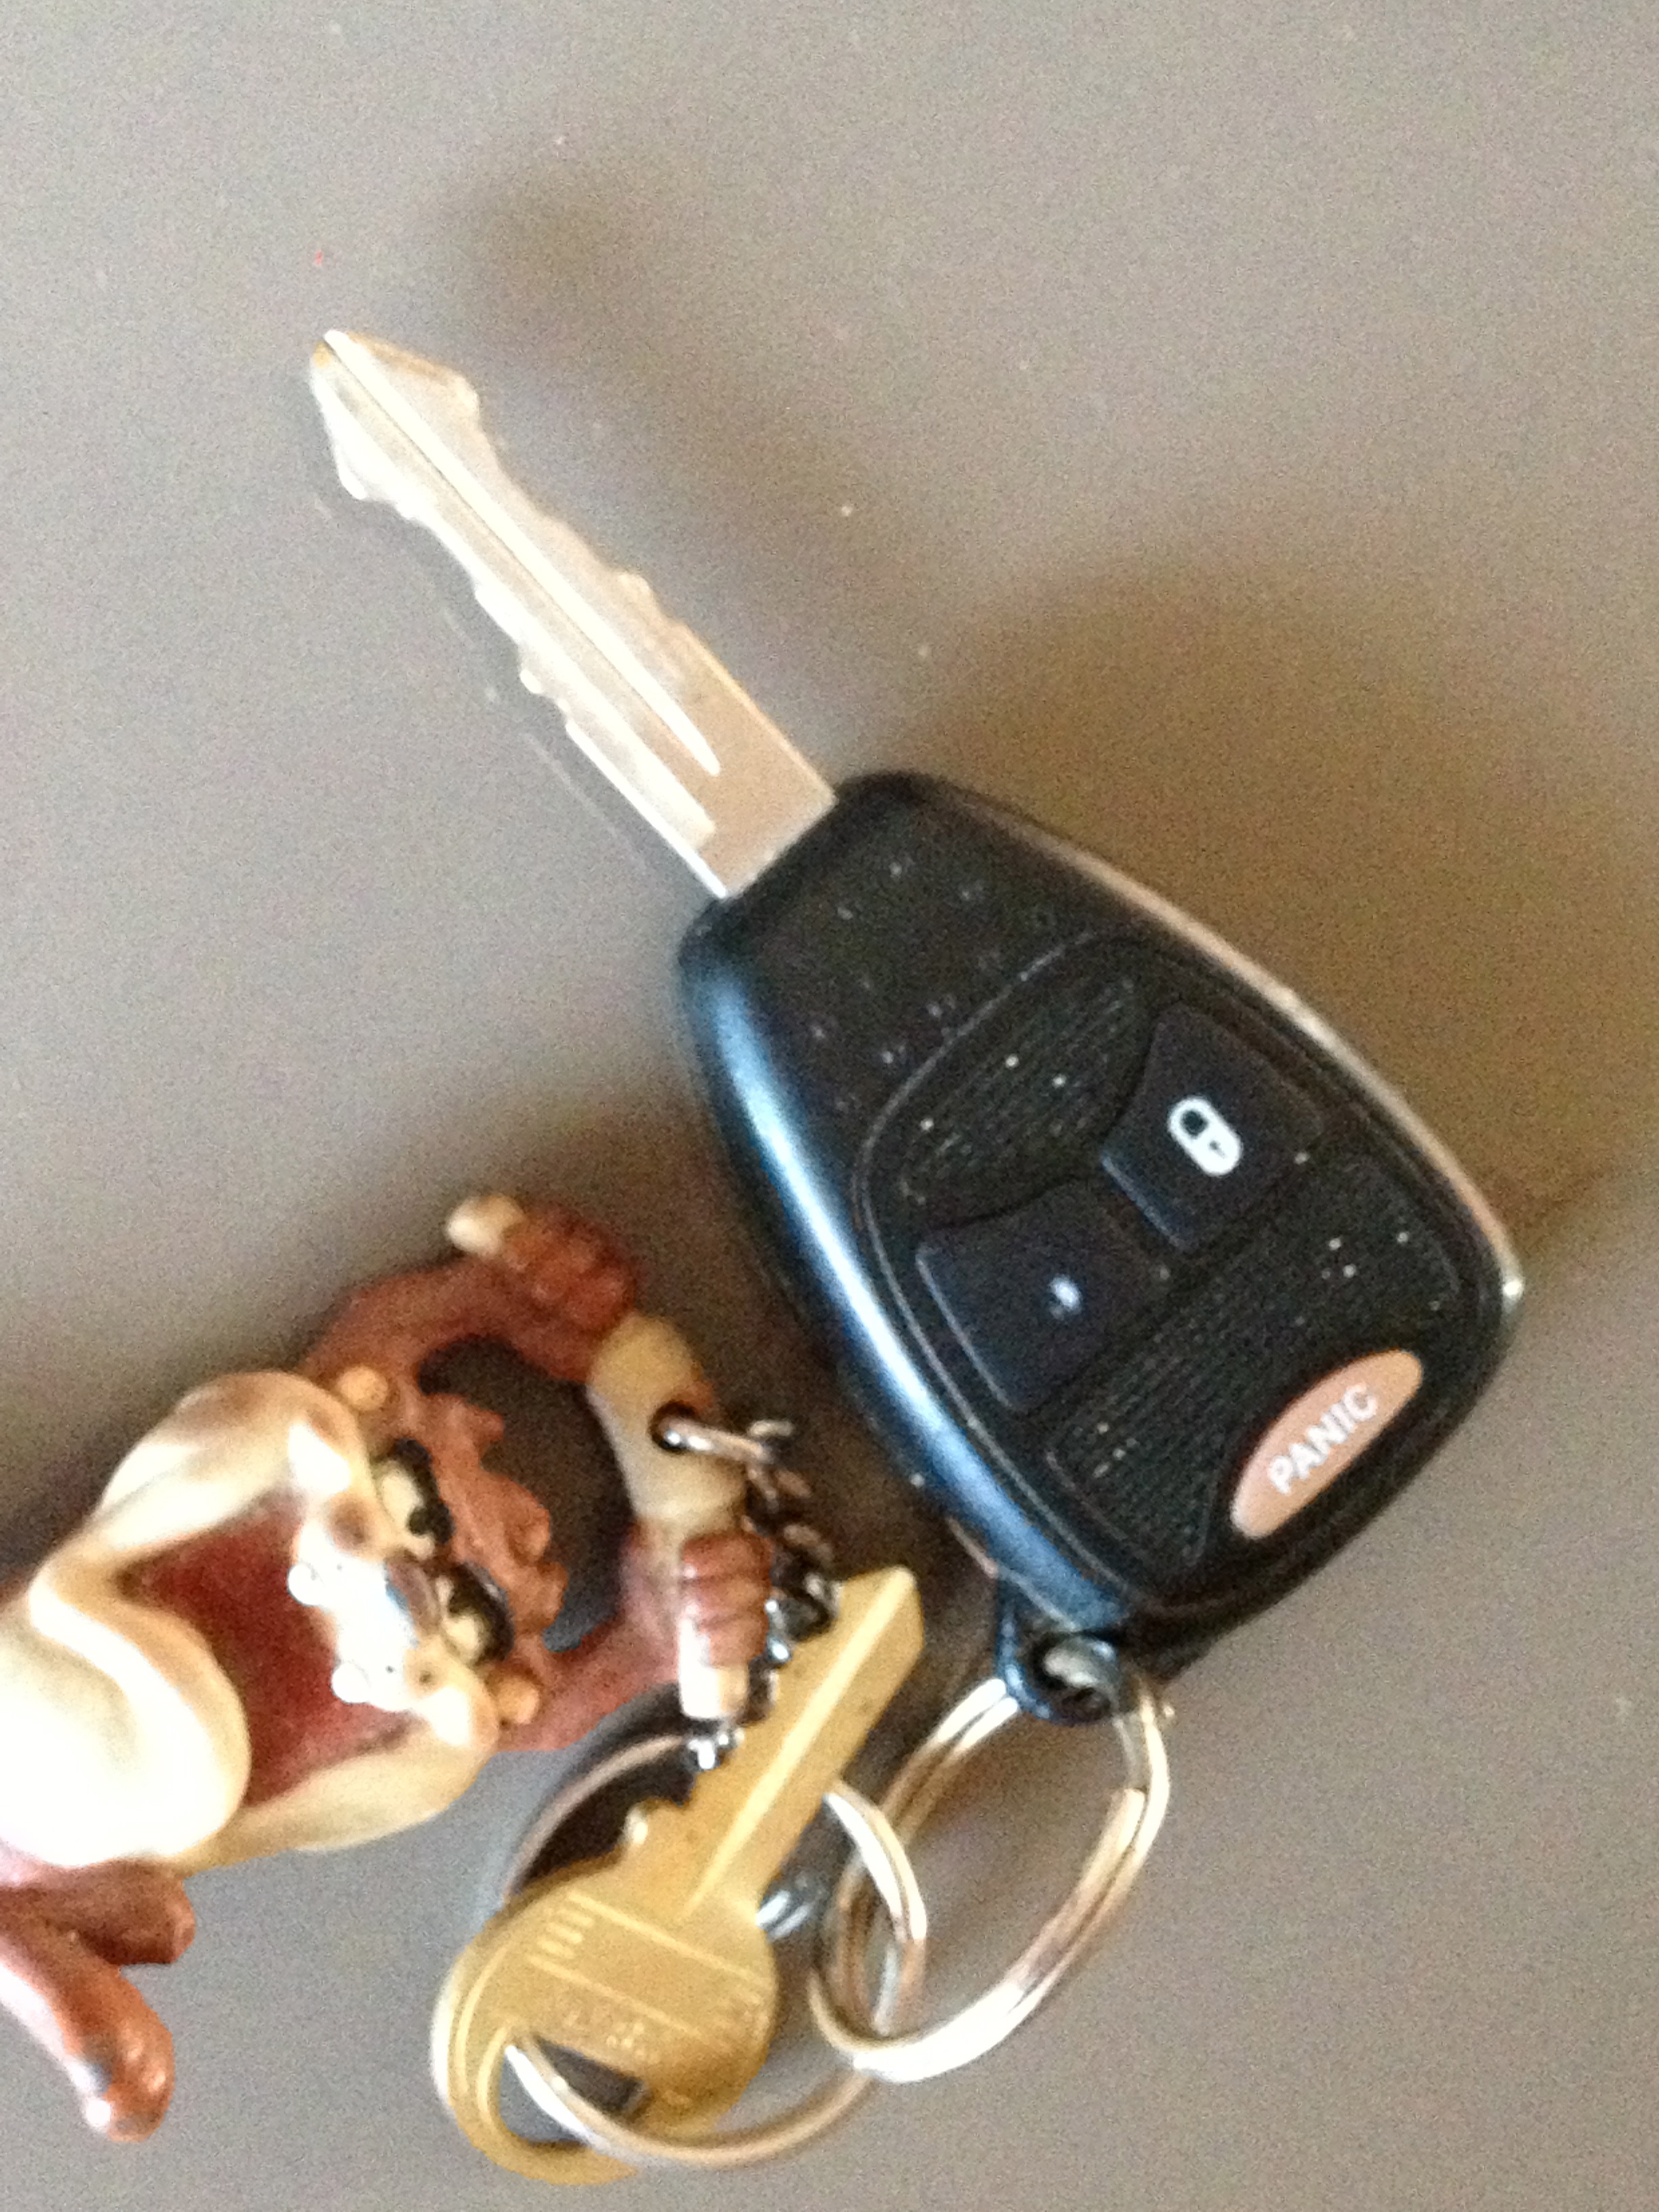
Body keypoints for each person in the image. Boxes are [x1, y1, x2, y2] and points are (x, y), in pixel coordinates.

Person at [0, 1201, 772, 2141]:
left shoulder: (273, 1453)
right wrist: (663, 1629)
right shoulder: (380, 1749)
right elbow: (540, 1713)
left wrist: (483, 1300)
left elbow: (335, 1376)